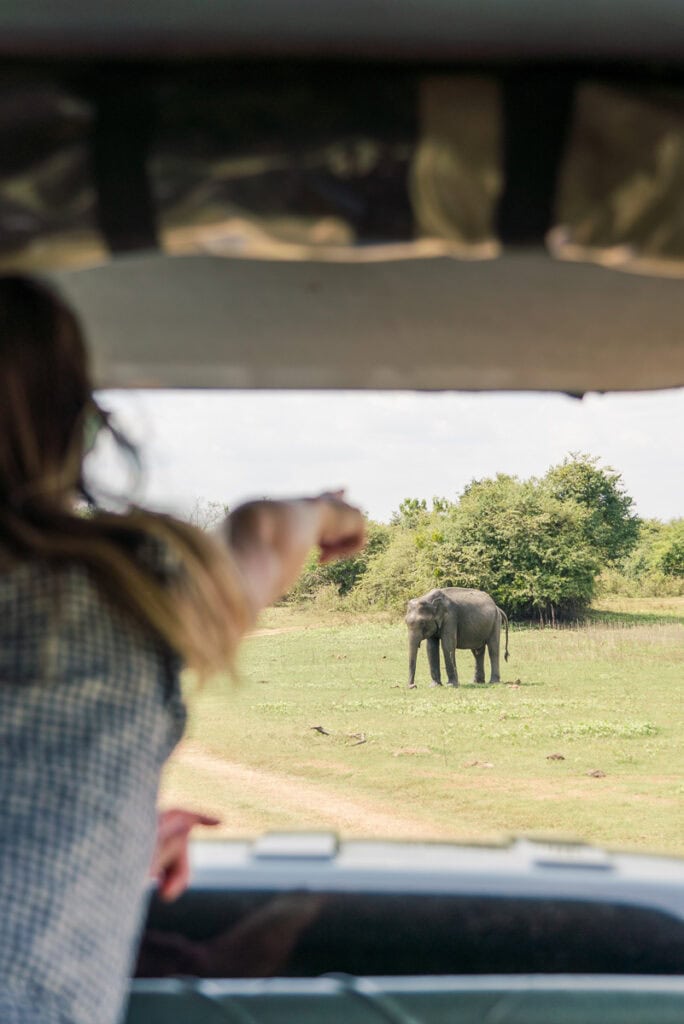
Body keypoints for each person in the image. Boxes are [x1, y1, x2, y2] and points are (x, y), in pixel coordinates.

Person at [0, 275, 366, 1024]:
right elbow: (268, 532)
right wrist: (328, 509)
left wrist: (102, 837)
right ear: (74, 426)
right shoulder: (120, 588)